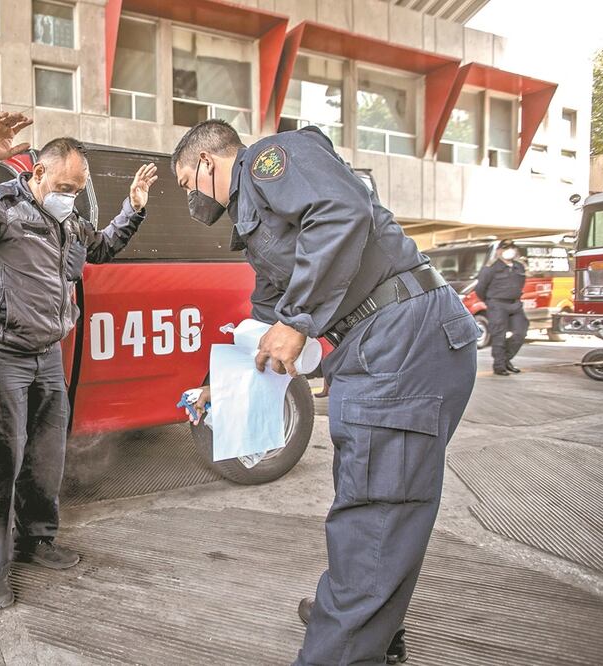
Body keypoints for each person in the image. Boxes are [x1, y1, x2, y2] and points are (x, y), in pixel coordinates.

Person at [171, 120, 477, 664]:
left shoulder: (270, 159)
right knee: (379, 502)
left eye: (185, 183)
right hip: (386, 342)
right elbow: (265, 325)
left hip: (398, 338)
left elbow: (342, 212)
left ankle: (347, 639)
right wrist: (220, 387)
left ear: (207, 164)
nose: (188, 198)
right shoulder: (256, 225)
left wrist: (297, 318)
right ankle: (364, 617)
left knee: (375, 511)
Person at [0, 112, 158, 610]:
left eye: (79, 185)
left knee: (47, 457)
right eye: (66, 184)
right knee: (1, 462)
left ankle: (36, 539)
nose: (72, 193)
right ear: (38, 173)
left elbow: (102, 247)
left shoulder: (67, 219)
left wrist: (132, 209)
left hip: (47, 355)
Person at [476, 240, 528, 376]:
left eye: (511, 248)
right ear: (499, 251)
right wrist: (491, 302)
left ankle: (506, 359)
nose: (509, 250)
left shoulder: (519, 267)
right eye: (505, 248)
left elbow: (521, 284)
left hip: (515, 304)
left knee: (520, 333)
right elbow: (480, 288)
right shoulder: (491, 268)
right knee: (498, 335)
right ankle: (499, 366)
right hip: (497, 304)